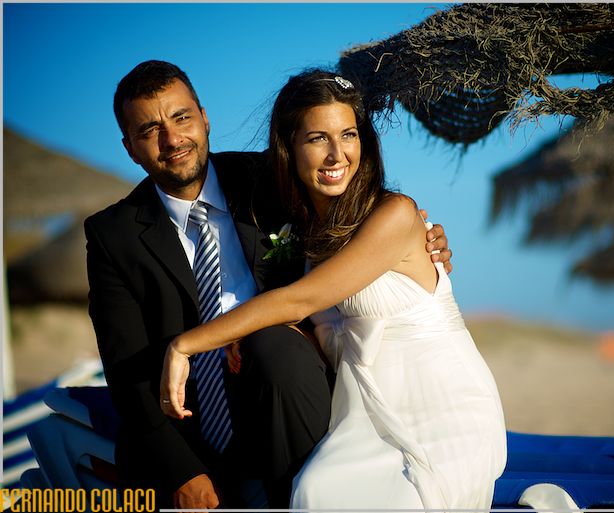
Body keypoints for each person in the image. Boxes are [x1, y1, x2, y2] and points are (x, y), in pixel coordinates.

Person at [85, 60, 452, 510]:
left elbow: (359, 220)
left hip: (292, 396)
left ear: (204, 118)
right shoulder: (113, 235)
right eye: (149, 129)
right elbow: (127, 372)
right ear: (130, 148)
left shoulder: (273, 179)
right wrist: (182, 470)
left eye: (182, 118)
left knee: (274, 345)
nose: (173, 139)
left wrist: (425, 240)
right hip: (187, 432)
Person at [161, 69, 507, 510]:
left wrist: (185, 346)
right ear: (288, 148)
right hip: (363, 417)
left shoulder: (396, 215)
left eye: (348, 135)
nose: (336, 154)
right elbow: (321, 321)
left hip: (442, 412)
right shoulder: (309, 237)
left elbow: (299, 299)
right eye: (317, 138)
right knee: (314, 493)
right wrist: (262, 334)